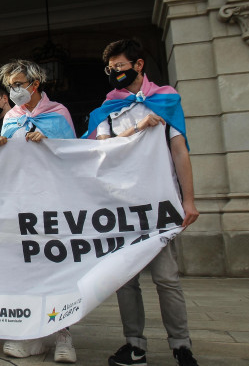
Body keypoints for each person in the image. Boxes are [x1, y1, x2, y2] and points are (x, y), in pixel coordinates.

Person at [83, 39, 199, 366]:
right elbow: (99, 148)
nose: (114, 73)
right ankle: (135, 345)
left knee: (166, 278)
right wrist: (136, 128)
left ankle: (181, 345)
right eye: (111, 69)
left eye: (120, 67)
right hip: (120, 209)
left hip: (159, 205)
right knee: (125, 281)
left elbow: (180, 151)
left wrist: (188, 200)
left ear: (138, 65)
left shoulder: (165, 100)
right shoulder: (107, 109)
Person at [0, 60, 77, 363]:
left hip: (52, 202)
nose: (14, 90)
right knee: (25, 268)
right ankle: (31, 333)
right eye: (10, 86)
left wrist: (50, 141)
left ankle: (63, 335)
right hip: (20, 203)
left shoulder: (58, 114)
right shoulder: (10, 117)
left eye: (18, 84)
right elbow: (5, 163)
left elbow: (75, 155)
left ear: (34, 84)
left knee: (55, 268)